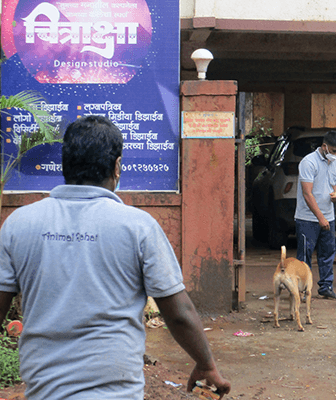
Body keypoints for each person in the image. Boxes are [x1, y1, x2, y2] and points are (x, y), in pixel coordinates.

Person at [0, 115, 231, 400]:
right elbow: (179, 313)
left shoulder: (19, 224)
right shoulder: (137, 226)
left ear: (64, 165)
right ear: (117, 167)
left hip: (44, 391)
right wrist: (206, 365)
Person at [295, 130, 336, 300]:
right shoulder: (308, 162)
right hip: (307, 218)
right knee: (305, 255)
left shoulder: (334, 163)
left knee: (328, 253)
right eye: (334, 151)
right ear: (324, 147)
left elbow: (335, 184)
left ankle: (326, 286)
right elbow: (307, 194)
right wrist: (320, 218)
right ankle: (302, 289)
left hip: (328, 215)